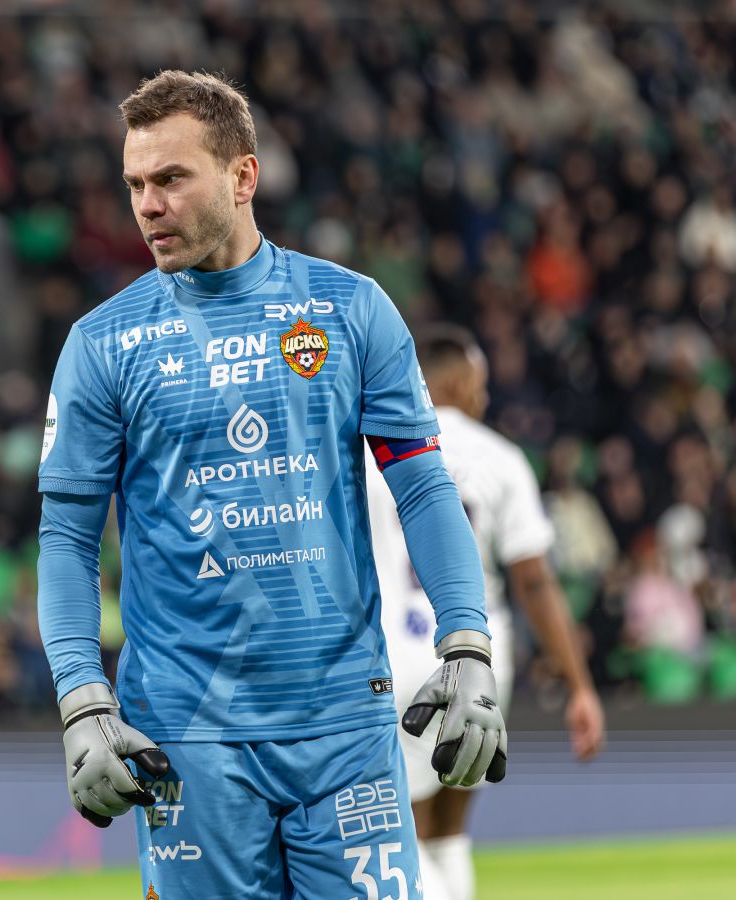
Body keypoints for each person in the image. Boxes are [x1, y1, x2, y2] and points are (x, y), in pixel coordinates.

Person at [36, 70, 507, 899]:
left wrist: (466, 643)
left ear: (243, 176)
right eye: (135, 185)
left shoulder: (350, 310)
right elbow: (68, 539)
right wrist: (82, 699)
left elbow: (425, 490)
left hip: (346, 722)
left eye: (171, 178)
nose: (148, 206)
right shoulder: (102, 344)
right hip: (187, 735)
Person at [367, 325, 606, 900]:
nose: (485, 396)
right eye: (479, 384)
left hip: (392, 654)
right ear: (454, 381)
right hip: (479, 659)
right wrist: (579, 685)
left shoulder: (369, 451)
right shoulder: (501, 456)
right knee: (450, 831)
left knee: (407, 832)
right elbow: (535, 581)